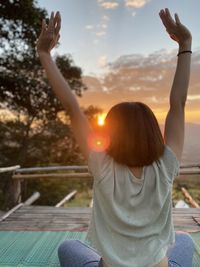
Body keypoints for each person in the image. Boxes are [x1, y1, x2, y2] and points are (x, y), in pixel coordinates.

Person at [36, 8, 194, 267]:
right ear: (154, 132)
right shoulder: (166, 164)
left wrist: (44, 54)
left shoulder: (102, 165)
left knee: (68, 247)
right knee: (185, 240)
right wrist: (185, 45)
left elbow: (73, 109)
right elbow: (178, 105)